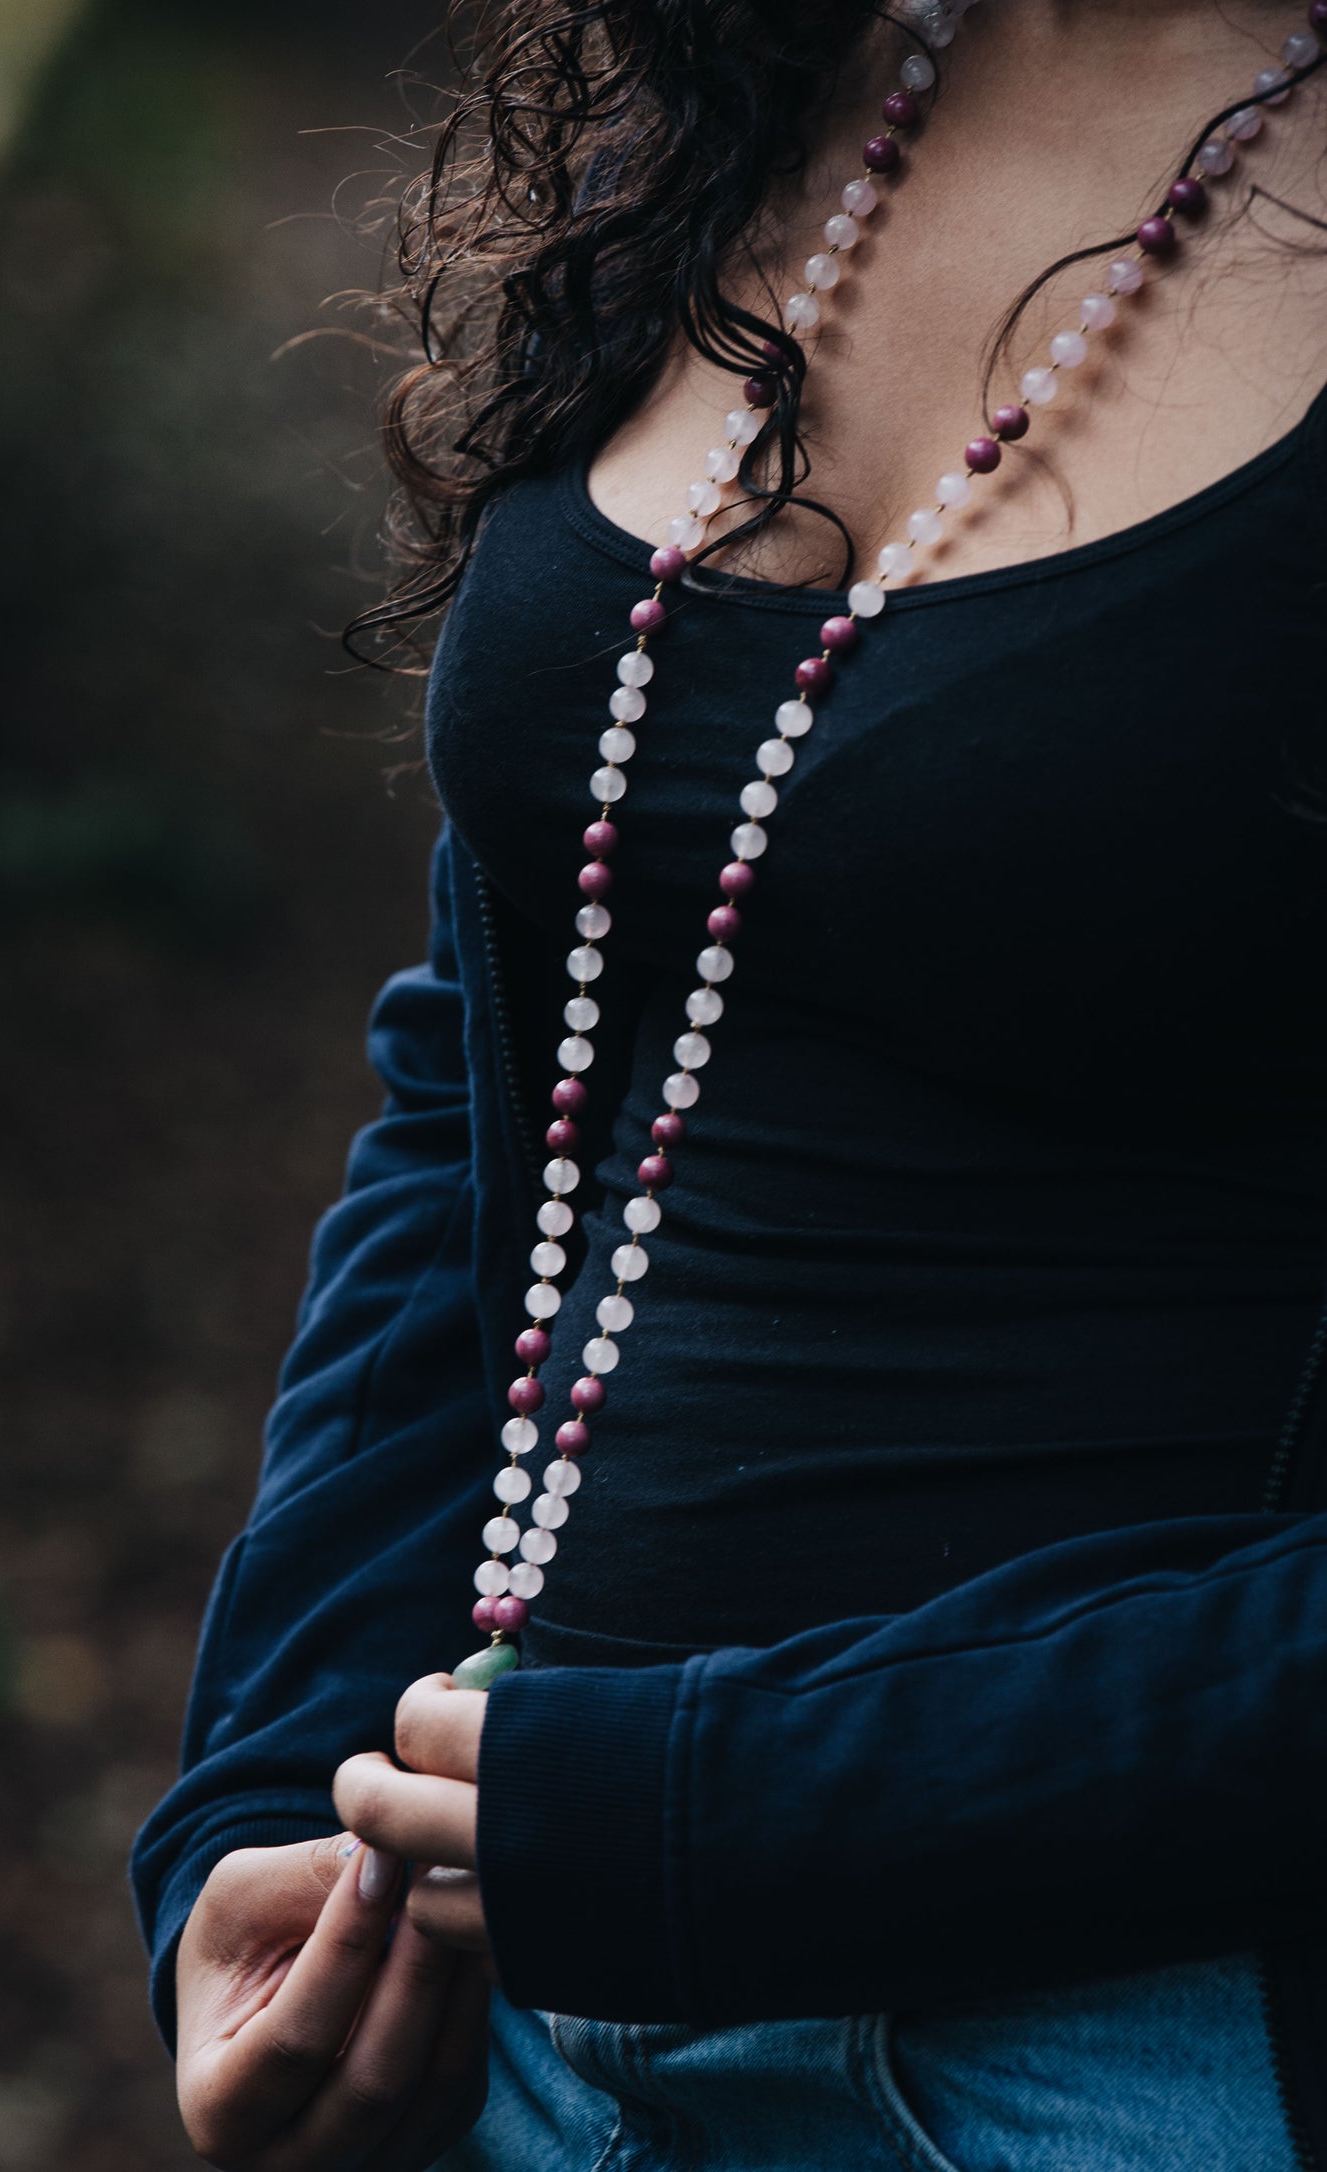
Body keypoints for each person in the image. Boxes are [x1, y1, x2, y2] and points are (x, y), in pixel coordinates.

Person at [132, 1, 1327, 2165]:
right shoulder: (750, 80)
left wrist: (726, 1817)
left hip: (1133, 2065)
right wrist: (262, 1789)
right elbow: (492, 1070)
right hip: (493, 2018)